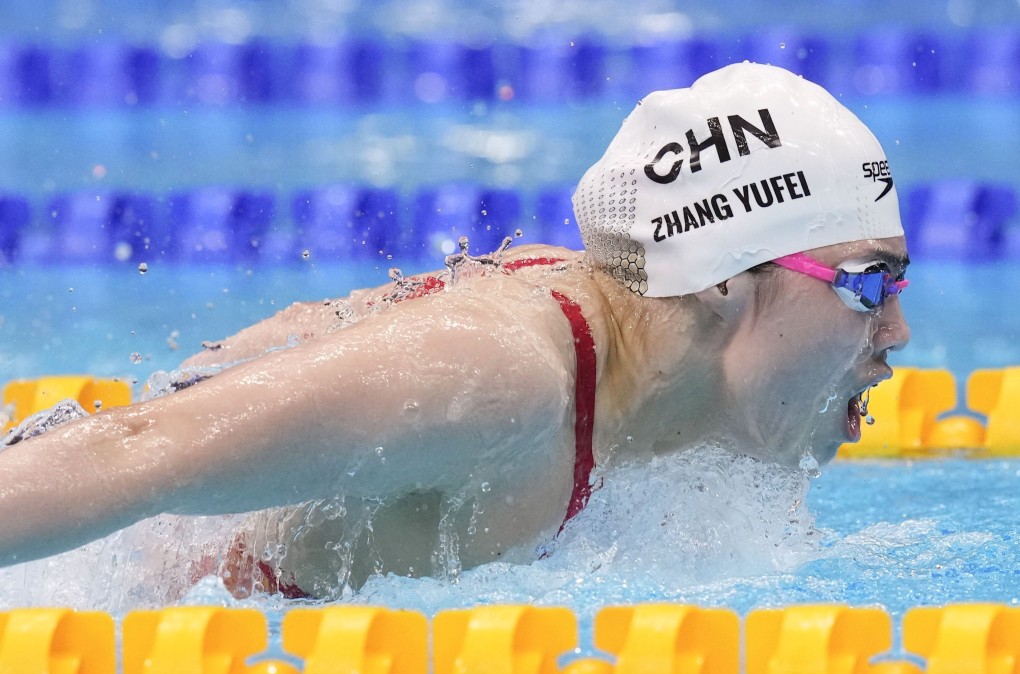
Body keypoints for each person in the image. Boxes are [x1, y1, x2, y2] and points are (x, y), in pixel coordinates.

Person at [0, 62, 910, 599]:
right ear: (720, 278)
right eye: (868, 285)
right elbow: (137, 447)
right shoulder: (500, 379)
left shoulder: (661, 378)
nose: (899, 333)